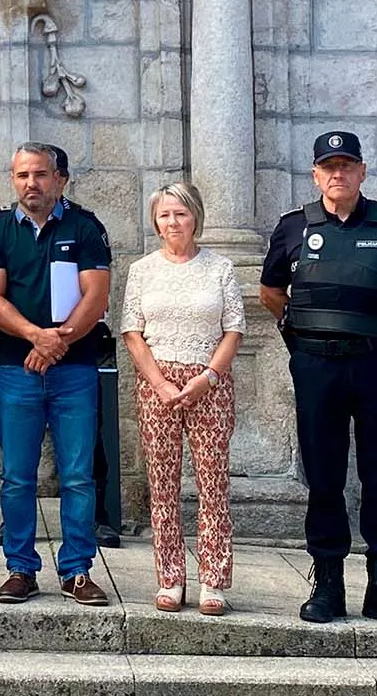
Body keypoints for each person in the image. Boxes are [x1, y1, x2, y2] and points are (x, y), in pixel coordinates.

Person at [260, 131, 377, 631]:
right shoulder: (294, 227)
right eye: (328, 167)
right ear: (316, 175)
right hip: (317, 363)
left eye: (347, 165)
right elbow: (272, 290)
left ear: (361, 171)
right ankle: (328, 583)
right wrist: (299, 334)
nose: (338, 174)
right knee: (324, 475)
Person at [0, 142, 112, 607]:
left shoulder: (86, 227)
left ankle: (77, 571)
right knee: (17, 476)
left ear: (60, 179)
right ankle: (20, 568)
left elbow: (96, 297)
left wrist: (58, 342)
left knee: (77, 475)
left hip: (74, 370)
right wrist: (37, 336)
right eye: (21, 176)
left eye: (39, 175)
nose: (30, 184)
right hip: (18, 370)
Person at [120, 182, 244, 616]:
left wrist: (208, 377)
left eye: (181, 214)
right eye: (165, 215)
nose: (173, 222)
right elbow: (132, 333)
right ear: (156, 222)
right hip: (159, 383)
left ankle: (213, 580)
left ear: (196, 218)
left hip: (209, 382)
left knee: (213, 485)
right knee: (163, 485)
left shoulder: (220, 268)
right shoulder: (142, 269)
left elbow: (234, 329)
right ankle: (170, 577)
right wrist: (161, 384)